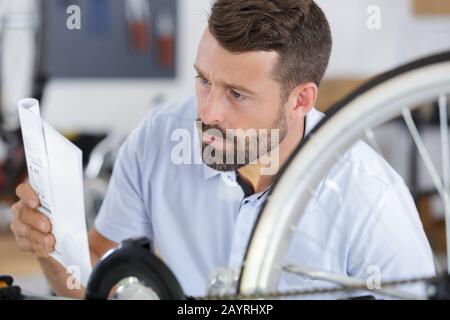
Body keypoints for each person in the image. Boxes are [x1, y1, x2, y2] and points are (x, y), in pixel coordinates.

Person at [10, 0, 434, 298]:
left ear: (300, 100)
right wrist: (50, 248)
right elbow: (94, 279)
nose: (208, 113)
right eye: (204, 81)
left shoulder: (370, 195)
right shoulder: (160, 138)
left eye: (236, 94)